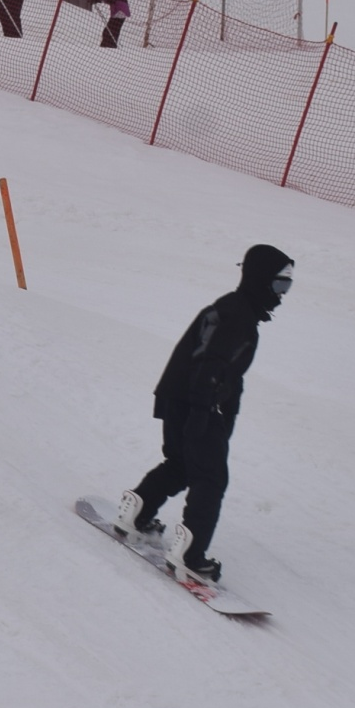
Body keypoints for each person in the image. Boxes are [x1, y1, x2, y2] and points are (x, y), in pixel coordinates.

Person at [114, 244, 296, 584]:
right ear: (261, 280)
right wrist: (202, 413)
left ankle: (137, 511)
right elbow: (209, 364)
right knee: (210, 479)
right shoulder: (238, 318)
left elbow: (228, 374)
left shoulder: (233, 308)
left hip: (178, 397)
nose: (282, 294)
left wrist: (227, 413)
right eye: (279, 284)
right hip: (196, 403)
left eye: (287, 286)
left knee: (182, 464)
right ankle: (189, 556)